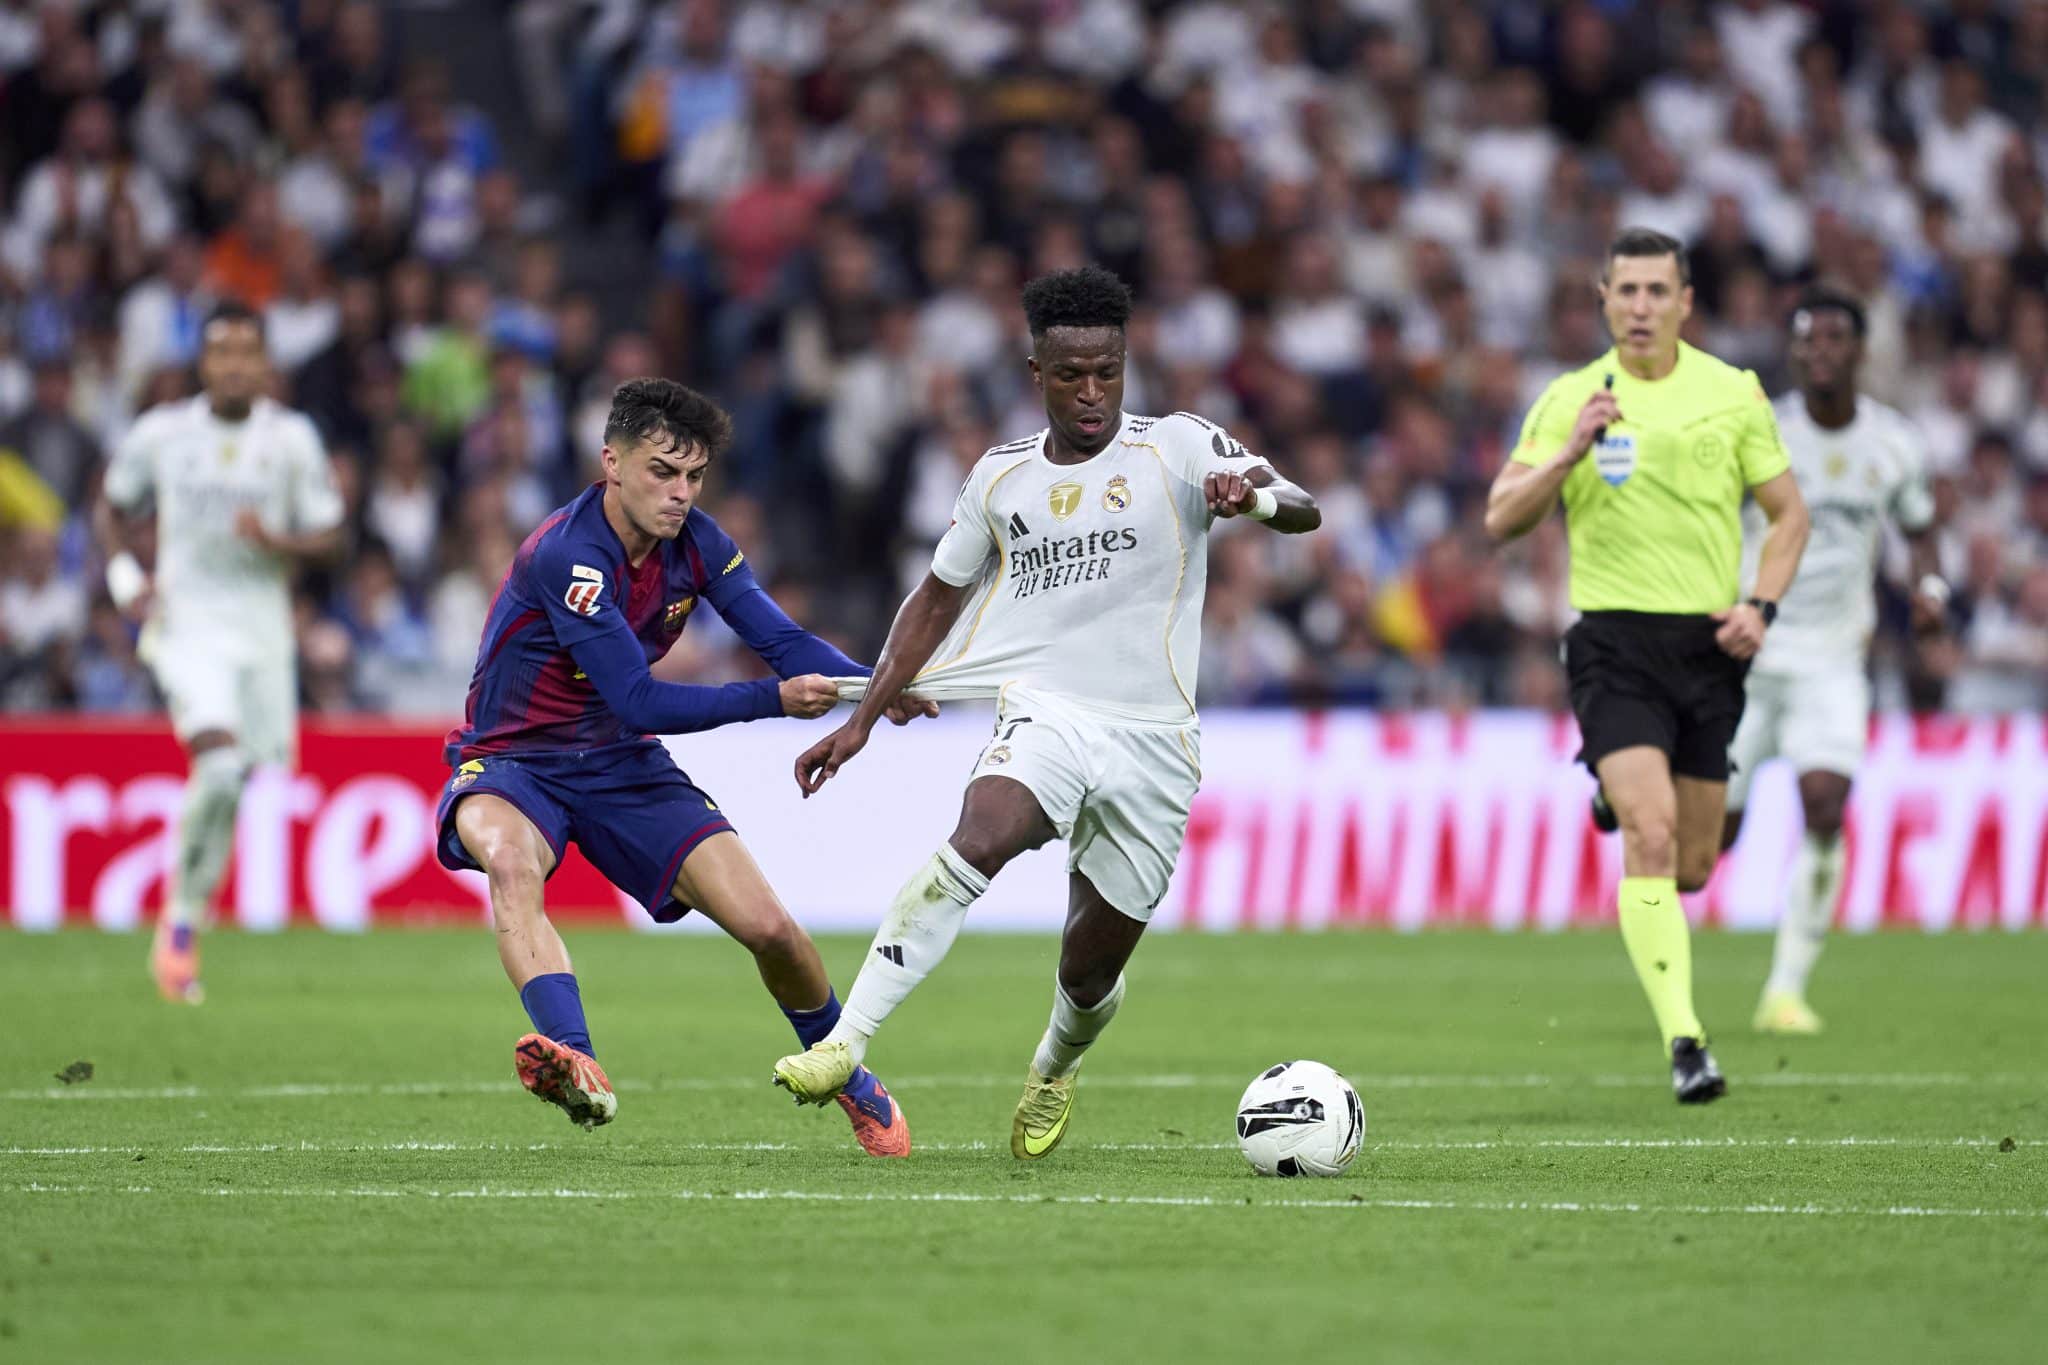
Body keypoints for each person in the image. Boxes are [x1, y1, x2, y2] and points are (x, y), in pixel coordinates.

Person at [768, 265, 1321, 1158]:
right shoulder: (999, 478)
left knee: (1090, 964)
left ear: (1126, 361)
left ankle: (1055, 1064)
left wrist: (1249, 496)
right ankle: (846, 1041)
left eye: (1107, 370)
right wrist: (861, 718)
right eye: (1071, 374)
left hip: (1155, 742)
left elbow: (1302, 507)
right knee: (982, 832)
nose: (1092, 392)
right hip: (1048, 714)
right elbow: (934, 602)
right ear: (1037, 372)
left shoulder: (1178, 445)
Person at [434, 377, 927, 1155]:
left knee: (772, 930)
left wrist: (878, 684)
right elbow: (636, 697)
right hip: (512, 760)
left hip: (620, 764)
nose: (681, 493)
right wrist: (773, 700)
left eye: (694, 476)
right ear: (613, 463)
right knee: (509, 863)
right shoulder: (572, 556)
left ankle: (852, 1076)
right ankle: (578, 1060)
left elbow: (782, 638)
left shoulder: (698, 541)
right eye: (664, 471)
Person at [1484, 227, 1811, 1103]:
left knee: (1695, 865)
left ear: (1684, 302)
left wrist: (1761, 607)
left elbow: (1788, 516)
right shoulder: (1570, 397)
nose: (1639, 307)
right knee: (1653, 839)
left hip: (1708, 648)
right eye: (1624, 290)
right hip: (1614, 644)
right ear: (1602, 298)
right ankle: (1686, 1041)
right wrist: (1568, 451)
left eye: (1656, 291)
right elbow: (1500, 519)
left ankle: (1614, 788)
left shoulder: (1732, 394)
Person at [98, 303, 346, 1004]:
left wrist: (280, 541)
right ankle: (179, 923)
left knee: (236, 779)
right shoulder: (165, 433)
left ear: (265, 363)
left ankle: (187, 911)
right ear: (203, 363)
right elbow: (112, 504)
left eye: (247, 351)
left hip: (262, 631)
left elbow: (332, 534)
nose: (235, 363)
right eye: (222, 351)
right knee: (219, 762)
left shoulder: (292, 438)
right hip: (186, 623)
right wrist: (124, 579)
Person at [1723, 289, 1945, 1035]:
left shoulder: (1895, 443)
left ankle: (1784, 991)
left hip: (1833, 660)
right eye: (1807, 339)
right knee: (1706, 844)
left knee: (1825, 803)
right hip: (1748, 655)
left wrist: (1931, 592)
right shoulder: (1760, 434)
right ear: (1793, 352)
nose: (1820, 351)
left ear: (1859, 350)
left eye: (1835, 339)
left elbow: (1921, 528)